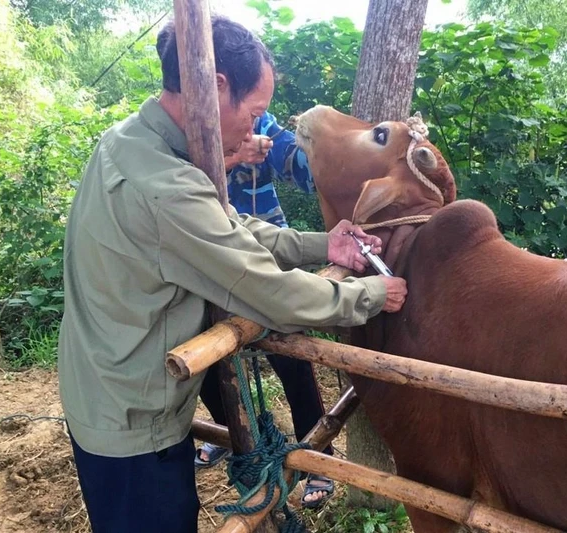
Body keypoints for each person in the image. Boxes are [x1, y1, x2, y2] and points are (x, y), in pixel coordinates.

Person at [57, 15, 407, 533]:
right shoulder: (166, 189)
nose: (254, 129)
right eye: (256, 111)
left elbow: (225, 225)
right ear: (216, 85)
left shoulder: (131, 143)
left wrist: (321, 244)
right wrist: (367, 294)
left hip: (104, 388)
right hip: (132, 420)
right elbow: (268, 291)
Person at [193, 113, 339, 509]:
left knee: (293, 360)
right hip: (206, 256)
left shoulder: (262, 123)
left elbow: (301, 169)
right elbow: (180, 187)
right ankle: (235, 437)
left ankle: (317, 460)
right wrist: (229, 156)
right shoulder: (186, 128)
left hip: (268, 254)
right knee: (204, 361)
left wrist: (320, 148)